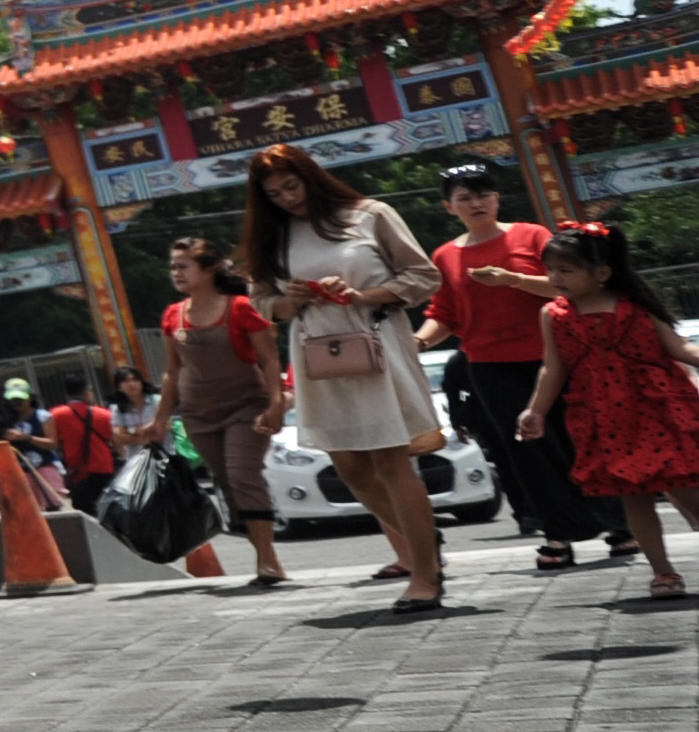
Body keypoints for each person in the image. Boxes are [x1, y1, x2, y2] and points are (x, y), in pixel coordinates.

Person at [245, 149, 446, 614]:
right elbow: (261, 301)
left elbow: (423, 276)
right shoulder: (270, 236)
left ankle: (424, 574)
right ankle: (424, 542)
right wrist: (289, 300)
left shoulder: (370, 215)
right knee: (352, 468)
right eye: (273, 194)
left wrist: (363, 294)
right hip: (317, 355)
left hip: (376, 343)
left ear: (311, 178)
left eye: (291, 187)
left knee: (391, 460)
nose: (286, 199)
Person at [421, 161, 612, 568]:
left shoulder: (532, 235)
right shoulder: (445, 255)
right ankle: (559, 534)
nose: (476, 203)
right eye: (465, 198)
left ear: (497, 197)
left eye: (483, 194)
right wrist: (418, 340)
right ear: (448, 207)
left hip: (555, 355)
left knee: (579, 437)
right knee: (527, 450)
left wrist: (513, 279)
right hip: (491, 366)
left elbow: (567, 285)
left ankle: (618, 525)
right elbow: (445, 313)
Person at [514, 224, 693, 596]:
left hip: (659, 409)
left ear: (602, 274)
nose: (555, 278)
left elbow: (679, 349)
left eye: (566, 270)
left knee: (692, 490)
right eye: (551, 270)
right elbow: (554, 368)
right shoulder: (553, 314)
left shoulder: (637, 305)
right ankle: (663, 572)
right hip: (606, 418)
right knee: (635, 499)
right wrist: (535, 411)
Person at [164, 239, 290, 587]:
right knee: (229, 485)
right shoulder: (173, 315)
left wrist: (276, 403)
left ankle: (266, 561)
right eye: (173, 266)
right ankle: (268, 558)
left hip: (245, 408)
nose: (176, 273)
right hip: (197, 415)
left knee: (241, 475)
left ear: (208, 271)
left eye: (183, 266)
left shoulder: (240, 308)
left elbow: (268, 359)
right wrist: (159, 419)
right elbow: (172, 371)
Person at [45, 384, 120, 514]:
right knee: (110, 511)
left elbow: (54, 441)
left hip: (78, 473)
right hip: (104, 468)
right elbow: (116, 442)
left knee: (86, 515)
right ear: (86, 392)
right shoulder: (104, 414)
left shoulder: (56, 414)